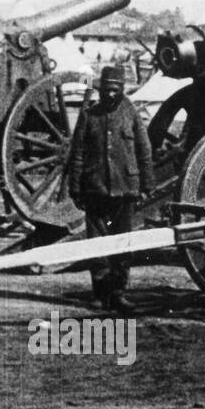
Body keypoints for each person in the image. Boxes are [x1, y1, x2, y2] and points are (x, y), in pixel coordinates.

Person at [67, 65, 153, 313]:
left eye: (115, 89)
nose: (111, 94)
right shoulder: (89, 115)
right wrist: (75, 189)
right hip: (95, 189)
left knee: (123, 244)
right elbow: (78, 154)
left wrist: (147, 185)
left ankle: (118, 293)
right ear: (100, 89)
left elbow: (144, 151)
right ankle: (99, 293)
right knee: (96, 245)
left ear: (123, 89)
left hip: (125, 189)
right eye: (106, 90)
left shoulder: (132, 114)